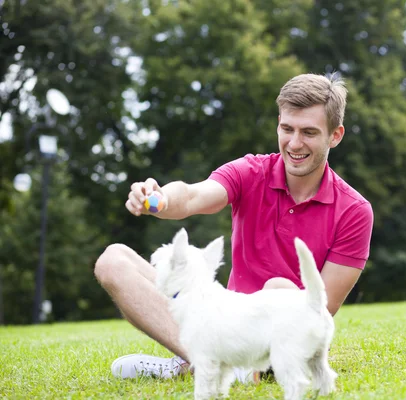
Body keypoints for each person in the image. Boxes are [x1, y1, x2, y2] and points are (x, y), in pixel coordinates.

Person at [94, 73, 374, 382]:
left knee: (278, 290)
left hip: (281, 338)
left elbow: (320, 310)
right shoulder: (251, 171)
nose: (294, 143)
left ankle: (211, 365)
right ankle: (213, 363)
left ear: (335, 136)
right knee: (113, 260)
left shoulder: (355, 211)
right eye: (286, 129)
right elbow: (191, 195)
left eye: (309, 132)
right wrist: (159, 199)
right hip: (226, 326)